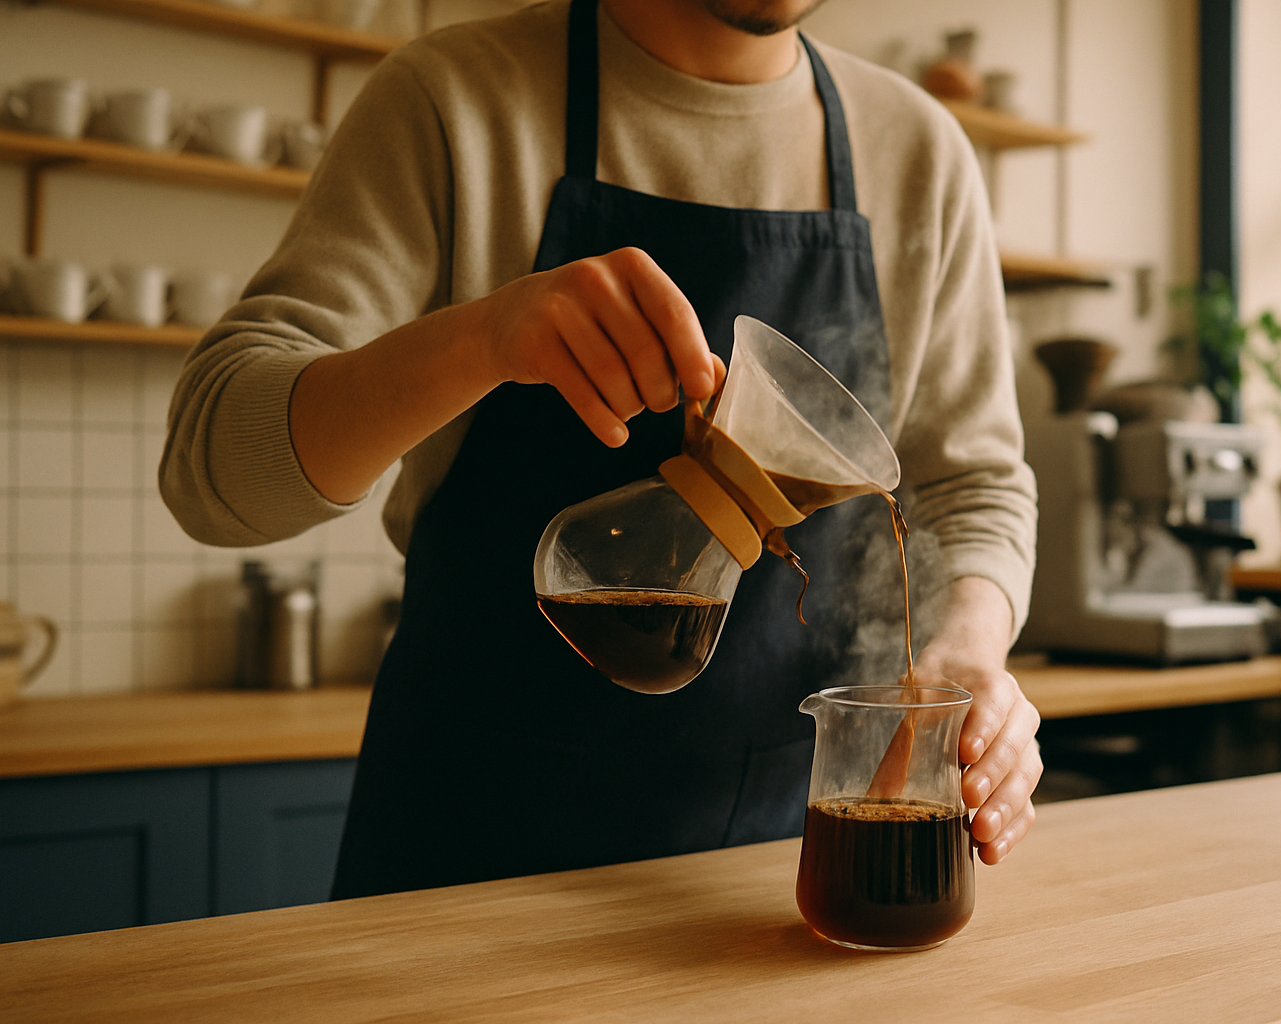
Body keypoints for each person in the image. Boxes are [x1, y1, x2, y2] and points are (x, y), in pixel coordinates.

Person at [162, 0, 1043, 899]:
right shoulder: (454, 101)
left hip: (780, 884)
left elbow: (971, 486)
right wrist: (482, 340)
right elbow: (215, 475)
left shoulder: (919, 152)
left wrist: (970, 650)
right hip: (464, 874)